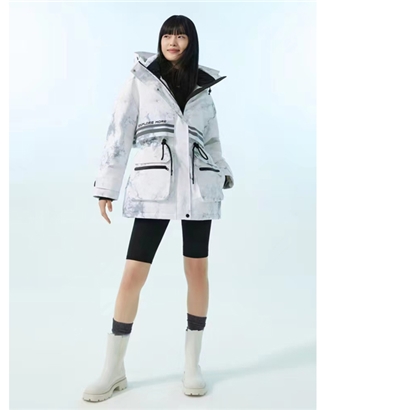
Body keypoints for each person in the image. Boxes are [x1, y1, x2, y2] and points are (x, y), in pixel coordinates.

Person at [82, 14, 234, 402]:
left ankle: (191, 366)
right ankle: (113, 369)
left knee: (197, 271)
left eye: (180, 36)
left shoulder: (204, 89)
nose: (172, 41)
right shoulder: (141, 80)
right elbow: (119, 132)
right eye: (167, 35)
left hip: (198, 191)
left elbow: (212, 142)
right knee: (133, 274)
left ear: (190, 42)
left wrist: (221, 175)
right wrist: (106, 188)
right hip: (153, 189)